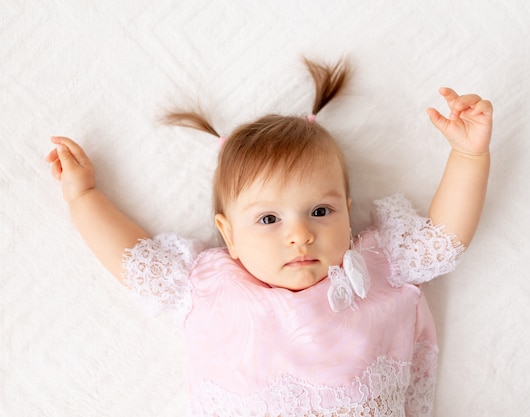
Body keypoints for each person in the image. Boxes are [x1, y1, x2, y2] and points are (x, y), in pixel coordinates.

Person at [46, 58, 492, 417]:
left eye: (321, 211)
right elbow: (132, 260)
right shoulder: (205, 283)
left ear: (348, 214)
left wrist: (468, 155)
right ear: (229, 235)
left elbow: (444, 239)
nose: (300, 235)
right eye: (268, 220)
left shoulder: (380, 263)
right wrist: (84, 196)